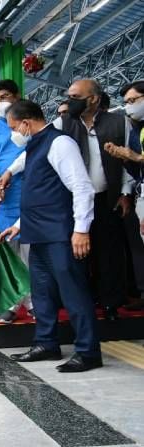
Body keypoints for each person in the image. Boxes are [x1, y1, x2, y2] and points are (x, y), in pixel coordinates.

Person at [0, 100, 101, 373]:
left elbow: (81, 188)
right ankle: (46, 343)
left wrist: (81, 229)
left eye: (13, 128)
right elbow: (42, 192)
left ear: (26, 123)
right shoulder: (35, 145)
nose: (13, 133)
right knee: (42, 293)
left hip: (61, 233)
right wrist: (19, 225)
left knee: (73, 292)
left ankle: (88, 351)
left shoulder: (60, 143)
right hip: (38, 233)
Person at [54, 79, 132, 320]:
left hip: (107, 199)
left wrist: (126, 193)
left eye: (76, 96)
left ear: (94, 99)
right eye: (69, 96)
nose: (70, 101)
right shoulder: (62, 123)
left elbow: (127, 162)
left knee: (109, 254)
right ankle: (83, 303)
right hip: (72, 202)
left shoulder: (120, 122)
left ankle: (110, 304)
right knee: (77, 254)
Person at [0, 80, 33, 324]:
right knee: (7, 252)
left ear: (17, 96)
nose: (0, 103)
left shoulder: (29, 122)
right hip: (1, 198)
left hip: (29, 191)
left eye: (5, 96)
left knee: (32, 252)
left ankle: (35, 302)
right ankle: (11, 303)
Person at [104, 80, 144, 306]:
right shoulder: (136, 129)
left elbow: (138, 158)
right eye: (126, 102)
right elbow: (134, 167)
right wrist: (123, 156)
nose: (129, 106)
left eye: (133, 100)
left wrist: (135, 156)